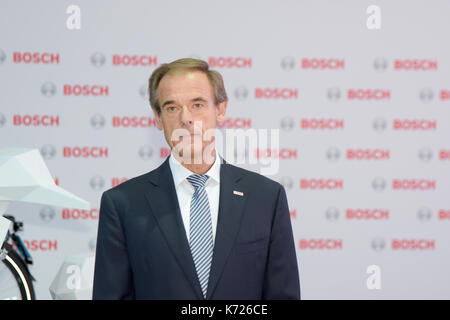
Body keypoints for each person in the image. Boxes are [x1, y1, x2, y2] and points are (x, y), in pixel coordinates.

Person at [92, 58, 300, 300]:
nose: (186, 119)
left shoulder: (266, 198)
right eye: (172, 108)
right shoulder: (122, 204)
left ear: (220, 110)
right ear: (158, 118)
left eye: (197, 105)